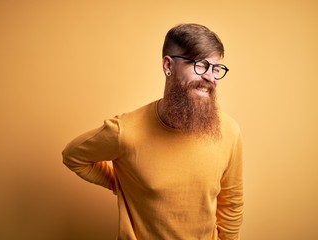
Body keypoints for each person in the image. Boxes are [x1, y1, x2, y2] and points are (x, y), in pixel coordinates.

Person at [62, 23, 243, 240]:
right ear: (168, 65)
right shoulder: (125, 132)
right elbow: (73, 156)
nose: (211, 78)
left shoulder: (229, 131)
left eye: (215, 68)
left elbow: (231, 202)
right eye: (201, 65)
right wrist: (123, 184)